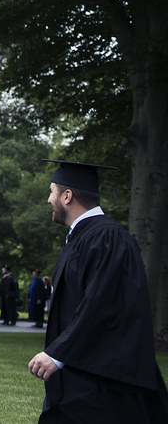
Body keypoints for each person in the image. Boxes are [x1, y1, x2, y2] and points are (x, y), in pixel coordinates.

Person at [28, 159, 168, 421]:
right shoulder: (83, 238)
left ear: (67, 196)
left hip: (101, 384)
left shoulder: (107, 238)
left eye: (52, 191)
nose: (48, 199)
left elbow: (100, 304)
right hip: (81, 379)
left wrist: (58, 353)